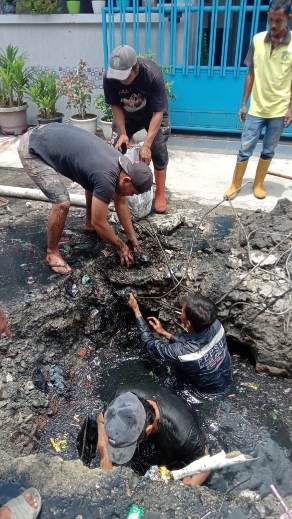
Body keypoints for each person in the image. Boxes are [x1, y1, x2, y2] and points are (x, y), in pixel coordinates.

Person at [18, 123, 153, 274]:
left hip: (48, 132)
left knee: (92, 185)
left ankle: (88, 224)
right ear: (126, 181)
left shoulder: (124, 165)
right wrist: (120, 246)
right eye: (132, 193)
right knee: (62, 202)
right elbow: (100, 222)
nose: (131, 196)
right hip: (33, 147)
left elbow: (121, 203)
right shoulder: (106, 177)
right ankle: (52, 253)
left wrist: (132, 239)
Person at [224, 0, 292, 201]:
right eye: (270, 19)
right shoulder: (257, 40)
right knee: (245, 147)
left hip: (279, 110)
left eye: (278, 20)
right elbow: (251, 73)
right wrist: (244, 104)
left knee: (269, 148)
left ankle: (259, 183)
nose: (272, 24)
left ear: (288, 18)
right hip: (257, 108)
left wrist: (290, 108)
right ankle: (235, 184)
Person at [77, 383, 210, 486]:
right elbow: (101, 420)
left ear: (148, 428)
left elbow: (205, 460)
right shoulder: (122, 400)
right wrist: (104, 458)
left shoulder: (184, 434)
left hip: (173, 431)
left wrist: (188, 487)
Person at [127, 293, 233, 401]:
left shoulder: (182, 353)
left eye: (182, 311)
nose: (181, 311)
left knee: (163, 378)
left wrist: (136, 310)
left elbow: (149, 345)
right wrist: (165, 333)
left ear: (188, 323)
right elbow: (196, 348)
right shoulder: (216, 325)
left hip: (202, 395)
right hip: (226, 382)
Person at [103, 45, 170, 214]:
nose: (121, 80)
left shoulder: (152, 75)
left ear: (136, 68)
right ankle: (117, 187)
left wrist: (147, 145)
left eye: (125, 76)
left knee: (158, 148)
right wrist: (123, 134)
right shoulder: (109, 77)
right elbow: (116, 105)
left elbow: (158, 113)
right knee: (116, 147)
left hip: (152, 114)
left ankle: (160, 194)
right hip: (127, 114)